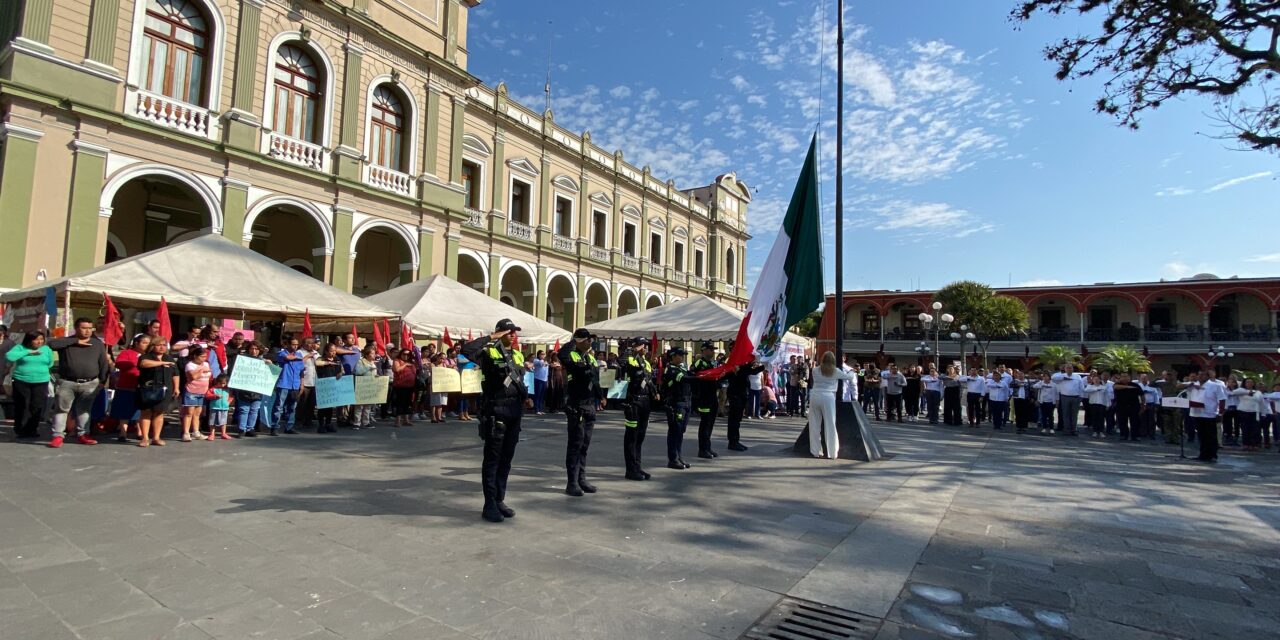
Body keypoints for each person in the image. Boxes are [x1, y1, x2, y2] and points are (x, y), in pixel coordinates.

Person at [461, 319, 528, 522]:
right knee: (493, 459)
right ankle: (489, 504)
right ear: (499, 333)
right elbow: (466, 349)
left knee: (506, 460)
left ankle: (499, 499)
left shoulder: (517, 354)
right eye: (508, 331)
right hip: (496, 410)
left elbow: (520, 379)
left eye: (514, 331)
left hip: (515, 410)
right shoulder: (489, 352)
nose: (512, 335)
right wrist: (491, 337)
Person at [46, 318, 111, 448]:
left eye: (89, 328)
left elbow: (103, 364)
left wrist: (102, 381)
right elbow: (51, 344)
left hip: (90, 383)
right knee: (61, 410)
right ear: (76, 328)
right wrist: (76, 341)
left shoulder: (97, 344)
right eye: (84, 328)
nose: (87, 331)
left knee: (84, 410)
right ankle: (57, 436)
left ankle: (83, 434)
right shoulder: (67, 342)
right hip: (67, 382)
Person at [559, 328, 603, 497]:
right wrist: (573, 340)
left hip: (590, 404)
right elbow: (561, 354)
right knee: (575, 445)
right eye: (586, 340)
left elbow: (595, 379)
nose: (590, 342)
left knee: (585, 445)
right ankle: (572, 483)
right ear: (579, 341)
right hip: (576, 405)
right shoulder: (572, 355)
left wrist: (600, 397)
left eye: (590, 340)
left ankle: (581, 479)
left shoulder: (590, 357)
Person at [619, 337, 657, 480]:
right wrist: (632, 350)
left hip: (645, 401)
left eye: (646, 345)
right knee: (631, 436)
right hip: (633, 401)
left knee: (640, 436)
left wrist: (654, 392)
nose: (645, 348)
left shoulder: (646, 362)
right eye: (643, 345)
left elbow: (649, 380)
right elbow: (620, 363)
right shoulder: (630, 358)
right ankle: (630, 469)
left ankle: (637, 466)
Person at [5, 331, 54, 440]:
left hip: (41, 381)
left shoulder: (46, 349)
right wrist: (27, 352)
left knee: (36, 405)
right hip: (21, 380)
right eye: (36, 339)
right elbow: (9, 357)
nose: (39, 342)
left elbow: (50, 363)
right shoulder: (20, 348)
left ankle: (32, 429)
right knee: (23, 405)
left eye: (41, 339)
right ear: (29, 340)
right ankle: (20, 429)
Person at [807, 352, 855, 458]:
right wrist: (851, 371)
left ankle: (815, 451)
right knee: (830, 425)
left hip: (815, 396)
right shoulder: (835, 371)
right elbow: (849, 377)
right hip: (828, 397)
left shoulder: (815, 370)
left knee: (814, 425)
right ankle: (832, 452)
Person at [136, 339, 179, 446]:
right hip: (148, 389)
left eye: (164, 345)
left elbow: (175, 374)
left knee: (159, 413)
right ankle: (145, 438)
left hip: (165, 389)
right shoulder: (146, 356)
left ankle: (156, 437)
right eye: (159, 345)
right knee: (146, 412)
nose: (162, 347)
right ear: (153, 346)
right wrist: (161, 363)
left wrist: (176, 387)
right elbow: (143, 364)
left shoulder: (169, 358)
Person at [108, 333, 150, 443]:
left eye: (148, 343)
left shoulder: (150, 355)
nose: (146, 345)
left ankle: (140, 432)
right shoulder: (127, 353)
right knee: (124, 411)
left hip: (142, 387)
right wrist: (136, 363)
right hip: (126, 386)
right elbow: (119, 364)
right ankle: (123, 433)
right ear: (136, 343)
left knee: (141, 411)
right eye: (144, 343)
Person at [1185, 371, 1228, 462]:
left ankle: (1212, 455)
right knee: (1201, 435)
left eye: (1202, 375)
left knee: (1211, 436)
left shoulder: (1215, 385)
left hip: (1210, 413)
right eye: (1199, 375)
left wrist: (1220, 413)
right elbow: (1178, 386)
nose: (1200, 376)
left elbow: (1222, 400)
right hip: (1197, 413)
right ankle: (1203, 454)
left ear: (1208, 376)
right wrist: (1192, 384)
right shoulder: (1193, 385)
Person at [724, 359, 765, 452]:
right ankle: (732, 442)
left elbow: (750, 370)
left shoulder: (740, 365)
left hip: (741, 395)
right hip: (735, 395)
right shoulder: (733, 365)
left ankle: (735, 441)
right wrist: (762, 366)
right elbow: (750, 371)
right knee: (734, 420)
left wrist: (759, 365)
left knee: (737, 420)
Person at [228, 341, 268, 438]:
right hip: (244, 390)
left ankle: (250, 429)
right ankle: (242, 429)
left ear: (260, 350)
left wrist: (269, 364)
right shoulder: (242, 360)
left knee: (254, 410)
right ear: (248, 349)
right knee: (244, 410)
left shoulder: (264, 361)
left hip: (257, 389)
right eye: (252, 348)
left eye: (256, 349)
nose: (254, 351)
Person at [663, 347, 693, 469]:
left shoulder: (682, 368)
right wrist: (702, 378)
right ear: (673, 356)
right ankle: (673, 459)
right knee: (675, 431)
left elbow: (691, 375)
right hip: (676, 403)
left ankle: (679, 457)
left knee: (681, 431)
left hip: (685, 402)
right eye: (680, 355)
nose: (682, 357)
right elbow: (686, 378)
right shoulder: (671, 369)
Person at [273, 337, 306, 435]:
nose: (295, 346)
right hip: (283, 383)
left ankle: (289, 427)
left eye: (296, 344)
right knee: (279, 406)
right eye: (293, 344)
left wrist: (302, 383)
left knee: (292, 407)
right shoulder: (282, 353)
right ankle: (274, 427)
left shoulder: (299, 354)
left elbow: (302, 371)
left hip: (295, 384)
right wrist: (303, 358)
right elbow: (287, 358)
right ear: (287, 345)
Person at [179, 346, 212, 442]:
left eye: (205, 356)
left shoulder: (206, 363)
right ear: (195, 356)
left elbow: (209, 375)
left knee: (198, 414)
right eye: (201, 356)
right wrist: (201, 369)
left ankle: (196, 432)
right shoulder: (190, 365)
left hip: (202, 391)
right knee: (189, 413)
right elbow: (192, 377)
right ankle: (186, 433)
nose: (203, 359)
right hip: (191, 391)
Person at [313, 342, 344, 433]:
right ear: (326, 351)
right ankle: (321, 424)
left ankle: (328, 423)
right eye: (331, 351)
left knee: (330, 407)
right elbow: (317, 363)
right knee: (322, 407)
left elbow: (342, 370)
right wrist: (327, 362)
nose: (333, 353)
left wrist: (340, 374)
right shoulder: (320, 358)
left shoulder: (337, 359)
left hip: (333, 386)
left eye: (335, 351)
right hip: (323, 385)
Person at [1052, 364, 1086, 436]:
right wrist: (1063, 378)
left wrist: (1081, 397)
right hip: (1065, 397)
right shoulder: (1061, 376)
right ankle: (1067, 430)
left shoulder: (1077, 376)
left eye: (1070, 368)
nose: (1069, 369)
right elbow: (1053, 378)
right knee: (1065, 414)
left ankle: (1074, 429)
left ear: (1073, 369)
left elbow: (1081, 388)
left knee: (1074, 415)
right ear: (1065, 369)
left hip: (1076, 397)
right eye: (1067, 368)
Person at [1231, 378, 1265, 451]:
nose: (1249, 384)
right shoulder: (1241, 391)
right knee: (1245, 428)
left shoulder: (1258, 392)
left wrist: (1263, 413)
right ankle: (1246, 444)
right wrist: (1247, 393)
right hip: (1243, 411)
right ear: (1245, 383)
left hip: (1254, 412)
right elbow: (1233, 392)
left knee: (1255, 429)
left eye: (1251, 382)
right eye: (1247, 382)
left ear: (1253, 384)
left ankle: (1255, 444)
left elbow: (1261, 402)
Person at [1112, 372, 1144, 441]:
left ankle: (1135, 436)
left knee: (1135, 422)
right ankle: (1123, 435)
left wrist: (1143, 405)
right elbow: (1115, 387)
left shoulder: (1135, 385)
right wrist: (1128, 387)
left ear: (1129, 377)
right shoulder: (1117, 384)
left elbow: (1142, 395)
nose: (1124, 378)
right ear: (1120, 378)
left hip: (1134, 406)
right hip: (1121, 406)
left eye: (1126, 376)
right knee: (1122, 422)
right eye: (1123, 376)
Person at [353, 345, 380, 429]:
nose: (374, 355)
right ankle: (356, 423)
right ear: (367, 354)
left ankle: (366, 422)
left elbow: (373, 373)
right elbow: (358, 372)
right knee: (359, 406)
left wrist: (376, 376)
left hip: (370, 386)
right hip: (362, 386)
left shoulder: (373, 363)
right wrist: (369, 367)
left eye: (374, 353)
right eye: (372, 353)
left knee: (368, 406)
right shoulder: (361, 362)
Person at [391, 349, 417, 427]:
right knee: (399, 403)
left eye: (408, 355)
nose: (406, 356)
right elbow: (396, 369)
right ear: (401, 354)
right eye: (404, 354)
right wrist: (405, 365)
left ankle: (406, 420)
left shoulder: (412, 362)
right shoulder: (397, 360)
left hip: (410, 386)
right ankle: (397, 421)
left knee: (408, 403)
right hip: (400, 386)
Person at [207, 375, 233, 440]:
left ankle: (223, 433)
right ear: (217, 382)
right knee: (212, 421)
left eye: (224, 383)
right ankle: (212, 434)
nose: (222, 385)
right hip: (214, 408)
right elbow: (207, 396)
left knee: (224, 421)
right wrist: (214, 396)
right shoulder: (213, 389)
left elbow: (231, 396)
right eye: (220, 383)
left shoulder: (227, 390)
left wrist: (228, 402)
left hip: (224, 408)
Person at [1083, 373, 1108, 438]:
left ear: (1100, 380)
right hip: (1093, 404)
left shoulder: (1103, 387)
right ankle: (1095, 431)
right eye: (1095, 379)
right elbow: (1086, 390)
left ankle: (1101, 431)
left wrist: (1108, 404)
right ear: (1093, 380)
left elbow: (1107, 396)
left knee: (1101, 418)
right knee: (1094, 417)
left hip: (1102, 404)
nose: (1096, 380)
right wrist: (1096, 389)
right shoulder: (1090, 386)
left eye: (1097, 379)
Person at [429, 352, 449, 424]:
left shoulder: (444, 365)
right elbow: (433, 372)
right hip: (435, 385)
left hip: (442, 385)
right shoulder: (432, 364)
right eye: (441, 358)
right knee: (434, 401)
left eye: (444, 358)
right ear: (437, 357)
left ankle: (439, 417)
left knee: (441, 402)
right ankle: (433, 417)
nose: (442, 360)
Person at [532, 350, 548, 415]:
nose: (543, 355)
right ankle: (536, 410)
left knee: (542, 396)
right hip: (538, 379)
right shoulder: (536, 360)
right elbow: (541, 365)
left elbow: (546, 371)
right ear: (538, 355)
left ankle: (540, 409)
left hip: (544, 380)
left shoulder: (545, 361)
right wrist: (544, 362)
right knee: (537, 395)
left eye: (544, 354)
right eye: (542, 354)